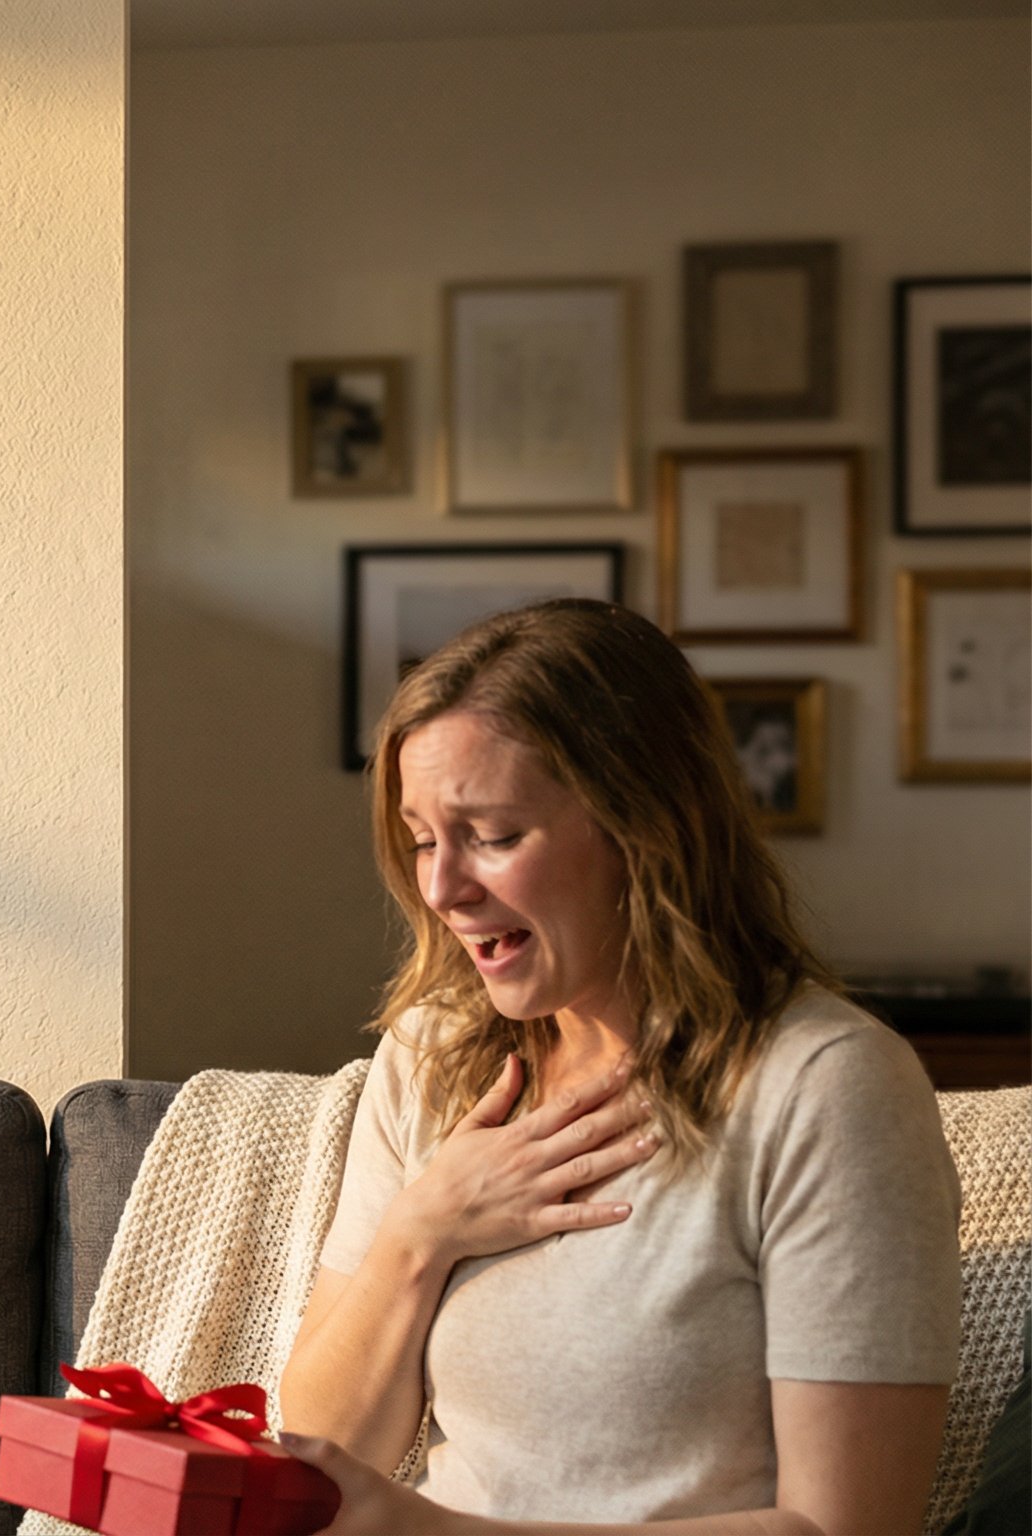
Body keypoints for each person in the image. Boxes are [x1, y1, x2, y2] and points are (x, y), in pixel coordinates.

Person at [274, 599, 961, 1536]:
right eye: (424, 839)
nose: (441, 890)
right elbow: (320, 1447)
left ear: (645, 828)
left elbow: (847, 1528)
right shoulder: (432, 1056)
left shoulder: (827, 1087)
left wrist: (439, 1534)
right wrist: (422, 1232)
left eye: (494, 835)